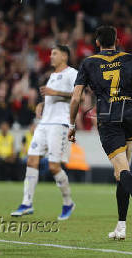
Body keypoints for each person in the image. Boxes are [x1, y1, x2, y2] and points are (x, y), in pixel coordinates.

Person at [68, 26, 132, 240]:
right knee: (122, 172)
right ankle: (121, 226)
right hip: (131, 116)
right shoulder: (130, 59)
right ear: (117, 41)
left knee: (121, 172)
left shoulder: (89, 63)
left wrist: (72, 124)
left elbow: (75, 98)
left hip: (108, 118)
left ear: (97, 42)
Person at [11, 45, 78, 220]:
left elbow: (80, 96)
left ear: (64, 56)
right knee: (31, 160)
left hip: (60, 124)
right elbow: (51, 98)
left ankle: (68, 202)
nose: (51, 56)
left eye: (54, 53)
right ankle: (27, 203)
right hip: (44, 124)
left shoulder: (72, 73)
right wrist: (42, 104)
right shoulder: (52, 76)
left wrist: (55, 92)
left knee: (54, 166)